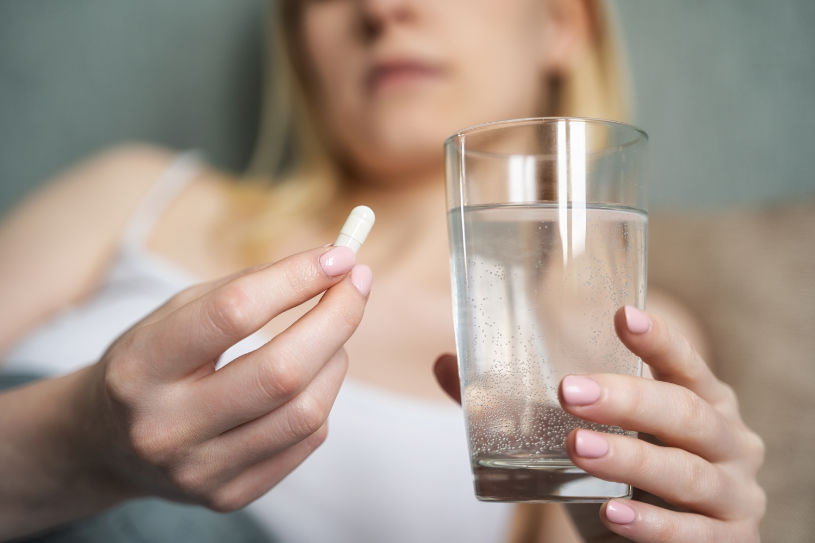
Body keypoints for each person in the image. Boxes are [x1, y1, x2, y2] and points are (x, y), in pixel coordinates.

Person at [0, 0, 766, 541]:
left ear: (560, 23)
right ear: (301, 44)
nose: (380, 7)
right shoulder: (134, 195)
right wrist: (77, 442)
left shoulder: (611, 335)